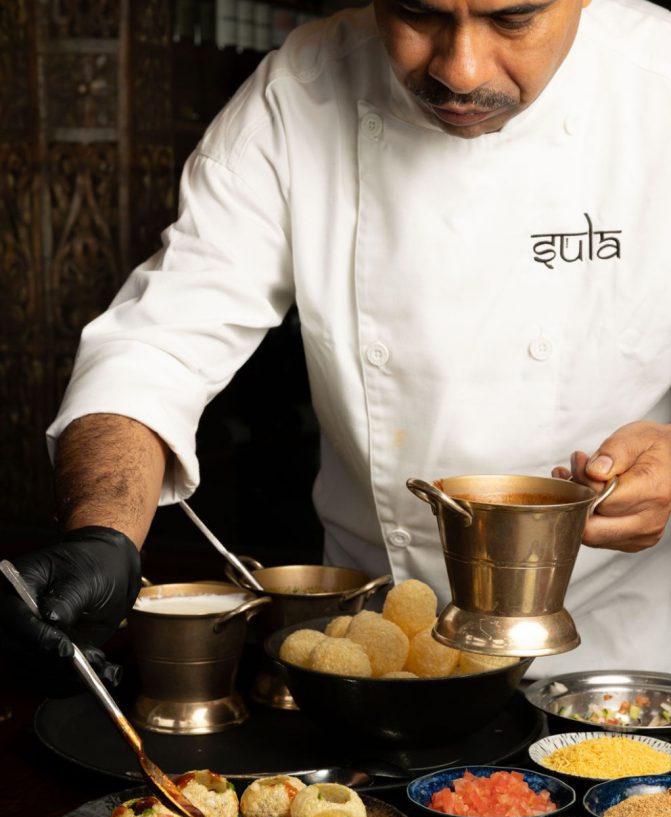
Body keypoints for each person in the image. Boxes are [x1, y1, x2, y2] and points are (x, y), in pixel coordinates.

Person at [1, 0, 670, 683]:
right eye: (417, 14)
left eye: (512, 19)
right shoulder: (300, 90)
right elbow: (160, 341)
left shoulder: (659, 83)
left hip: (621, 665)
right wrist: (103, 535)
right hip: (374, 661)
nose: (460, 70)